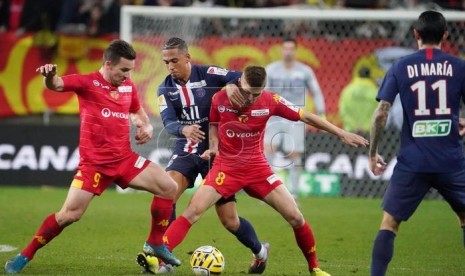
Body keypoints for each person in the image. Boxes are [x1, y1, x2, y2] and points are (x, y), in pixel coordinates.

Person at [153, 65, 368, 275]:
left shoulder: (270, 100)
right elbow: (214, 126)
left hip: (258, 169)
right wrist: (213, 148)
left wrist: (341, 133)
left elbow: (306, 116)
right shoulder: (220, 99)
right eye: (247, 93)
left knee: (296, 217)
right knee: (193, 212)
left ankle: (315, 268)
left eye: (256, 95)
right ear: (240, 82)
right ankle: (161, 260)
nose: (250, 99)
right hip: (225, 168)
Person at [4, 39, 178, 274]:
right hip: (94, 166)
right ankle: (25, 255)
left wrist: (144, 125)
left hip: (125, 159)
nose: (127, 76)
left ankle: (155, 243)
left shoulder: (128, 87)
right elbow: (55, 85)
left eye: (130, 71)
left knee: (168, 187)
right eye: (124, 70)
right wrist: (48, 76)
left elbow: (136, 111)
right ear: (108, 64)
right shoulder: (86, 82)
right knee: (69, 215)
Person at [136, 37, 268, 274]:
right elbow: (167, 121)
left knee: (229, 220)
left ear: (187, 57)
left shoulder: (209, 73)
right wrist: (183, 129)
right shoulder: (164, 88)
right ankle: (164, 257)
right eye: (166, 62)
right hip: (186, 149)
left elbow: (239, 75)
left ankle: (259, 251)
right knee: (167, 192)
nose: (170, 66)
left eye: (174, 60)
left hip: (218, 152)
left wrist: (230, 85)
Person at [368, 11, 465, 276]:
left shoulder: (401, 66)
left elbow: (381, 113)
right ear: (446, 35)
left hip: (413, 161)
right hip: (451, 161)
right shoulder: (459, 66)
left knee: (389, 223)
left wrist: (373, 152)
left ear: (416, 34)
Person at [264, 37, 326, 202]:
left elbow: (316, 90)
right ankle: (268, 191)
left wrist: (321, 112)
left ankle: (294, 194)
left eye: (291, 49)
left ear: (295, 51)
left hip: (296, 116)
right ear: (281, 50)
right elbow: (263, 92)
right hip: (275, 116)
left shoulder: (305, 71)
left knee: (294, 155)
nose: (288, 52)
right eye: (286, 48)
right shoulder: (271, 70)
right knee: (268, 150)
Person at [338, 66, 378, 134]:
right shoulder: (375, 91)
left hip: (351, 133)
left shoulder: (348, 90)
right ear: (370, 76)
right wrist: (366, 127)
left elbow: (343, 111)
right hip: (370, 131)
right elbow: (379, 111)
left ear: (358, 75)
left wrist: (355, 126)